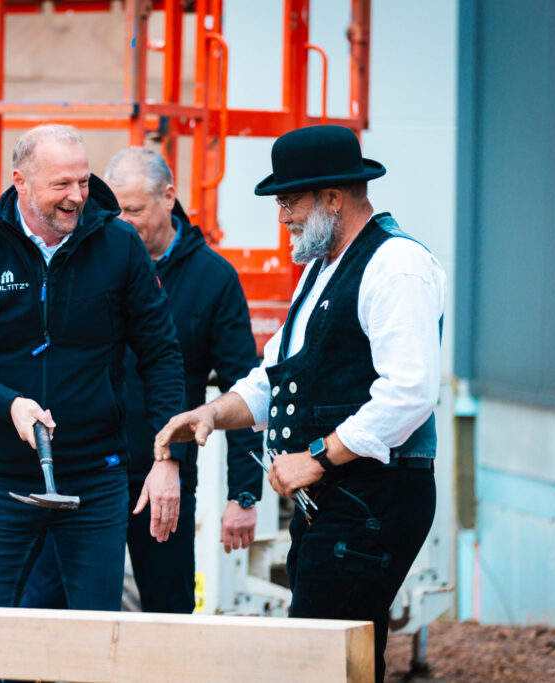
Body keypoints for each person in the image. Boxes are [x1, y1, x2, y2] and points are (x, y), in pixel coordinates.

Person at [153, 125, 446, 681]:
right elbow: (278, 376)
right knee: (333, 657)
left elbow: (410, 391)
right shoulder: (321, 268)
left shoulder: (395, 266)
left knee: (321, 659)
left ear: (332, 199)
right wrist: (213, 414)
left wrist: (317, 458)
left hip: (377, 496)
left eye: (289, 200)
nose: (282, 215)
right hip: (340, 497)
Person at [0, 124, 185, 619]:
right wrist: (11, 404)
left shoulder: (118, 244)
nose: (77, 197)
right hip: (2, 480)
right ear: (21, 182)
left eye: (83, 182)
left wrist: (166, 454)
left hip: (97, 479)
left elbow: (161, 353)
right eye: (61, 185)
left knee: (94, 646)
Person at [21, 147, 263, 614]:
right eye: (116, 211)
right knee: (48, 605)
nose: (123, 222)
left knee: (167, 612)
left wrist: (243, 494)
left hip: (164, 479)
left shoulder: (213, 280)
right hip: (84, 473)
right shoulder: (84, 262)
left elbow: (245, 392)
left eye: (134, 210)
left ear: (168, 197)